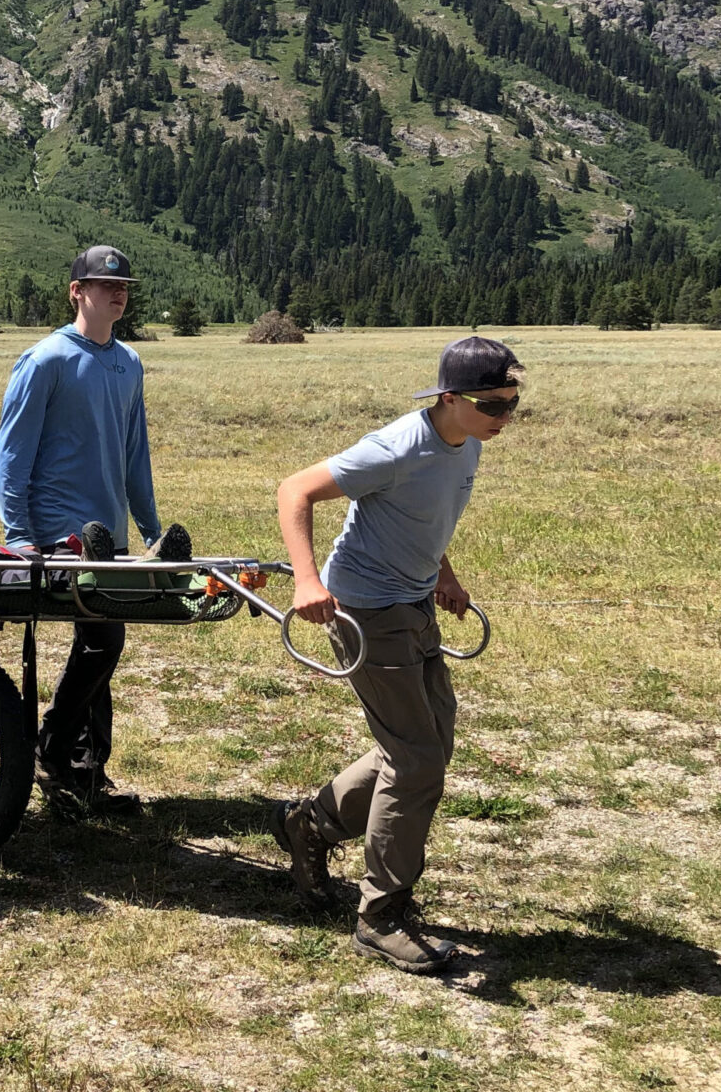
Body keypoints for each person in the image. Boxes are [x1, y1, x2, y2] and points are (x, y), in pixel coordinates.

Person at [271, 335, 522, 973]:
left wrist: (444, 572)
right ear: (449, 397)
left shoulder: (467, 441)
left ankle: (311, 824)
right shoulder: (397, 446)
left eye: (512, 405)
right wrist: (307, 581)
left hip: (411, 604)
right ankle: (381, 915)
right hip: (364, 612)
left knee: (429, 740)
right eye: (492, 404)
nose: (503, 417)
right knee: (414, 761)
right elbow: (294, 489)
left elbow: (421, 517)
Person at [0, 244, 178, 817]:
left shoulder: (128, 362)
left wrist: (150, 528)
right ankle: (58, 753)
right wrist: (18, 534)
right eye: (104, 285)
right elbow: (12, 454)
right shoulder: (45, 360)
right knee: (105, 640)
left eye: (122, 286)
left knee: (99, 645)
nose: (116, 292)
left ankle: (86, 772)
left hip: (111, 533)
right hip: (59, 534)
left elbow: (134, 454)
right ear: (77, 291)